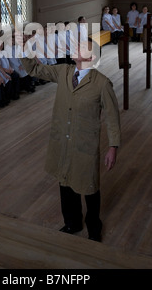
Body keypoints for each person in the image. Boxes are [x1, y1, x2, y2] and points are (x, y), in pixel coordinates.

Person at [15, 33, 121, 242]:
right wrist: (23, 47)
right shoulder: (63, 71)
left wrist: (113, 146)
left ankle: (93, 227)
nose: (75, 47)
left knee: (89, 187)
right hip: (62, 140)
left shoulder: (102, 84)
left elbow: (112, 117)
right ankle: (72, 223)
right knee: (65, 183)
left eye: (81, 46)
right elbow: (34, 69)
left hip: (85, 144)